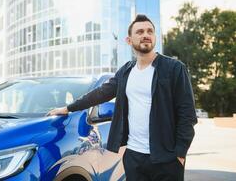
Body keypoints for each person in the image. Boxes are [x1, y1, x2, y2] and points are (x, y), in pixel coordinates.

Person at [47, 14, 197, 181]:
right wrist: (68, 108)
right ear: (129, 40)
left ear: (154, 37)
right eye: (139, 32)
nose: (145, 35)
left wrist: (180, 154)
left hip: (166, 159)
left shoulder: (174, 68)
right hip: (134, 157)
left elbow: (187, 114)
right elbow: (100, 93)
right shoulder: (126, 71)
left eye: (150, 31)